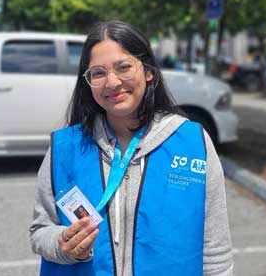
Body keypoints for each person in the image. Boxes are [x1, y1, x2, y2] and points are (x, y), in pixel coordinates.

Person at [30, 20, 233, 276]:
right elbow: (40, 231)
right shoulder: (64, 148)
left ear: (148, 71)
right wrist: (62, 245)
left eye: (123, 67)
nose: (112, 82)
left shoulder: (194, 144)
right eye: (98, 73)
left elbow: (215, 251)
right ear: (88, 82)